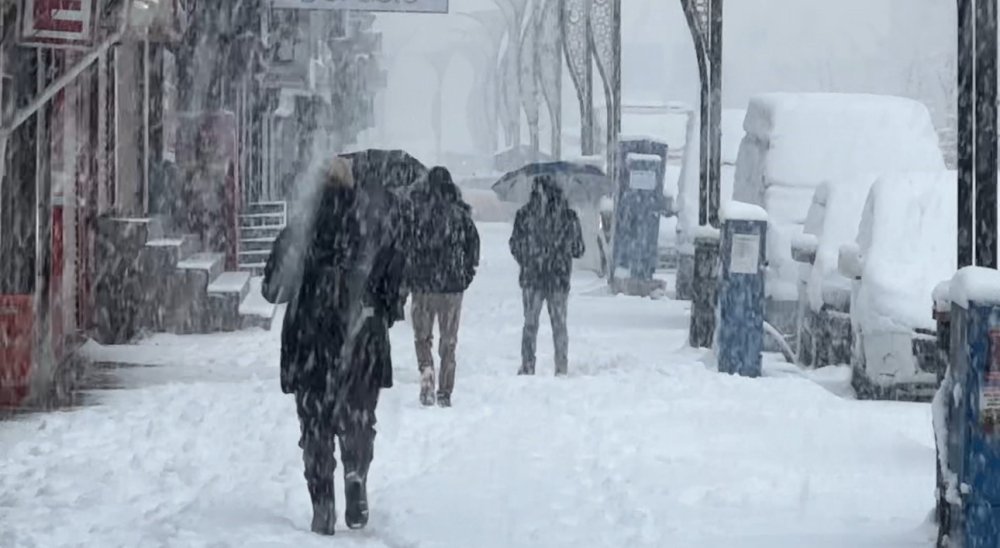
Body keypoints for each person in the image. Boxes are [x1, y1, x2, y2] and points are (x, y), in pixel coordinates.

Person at [262, 157, 405, 535]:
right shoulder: (372, 226)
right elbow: (394, 279)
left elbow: (273, 288)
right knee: (359, 414)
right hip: (361, 336)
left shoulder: (302, 227)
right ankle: (356, 469)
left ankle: (322, 504)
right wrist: (383, 310)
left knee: (316, 424)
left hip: (311, 336)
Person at [405, 166, 480, 407]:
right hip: (451, 289)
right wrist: (465, 276)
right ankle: (445, 391)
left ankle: (426, 371)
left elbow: (406, 248)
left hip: (423, 287)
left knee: (422, 337)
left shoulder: (417, 213)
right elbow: (473, 249)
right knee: (449, 341)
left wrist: (411, 275)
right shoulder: (460, 216)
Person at [509, 175, 585, 376]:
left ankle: (527, 364)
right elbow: (579, 249)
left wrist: (528, 259)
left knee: (530, 323)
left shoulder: (524, 215)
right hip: (558, 279)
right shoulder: (568, 217)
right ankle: (561, 366)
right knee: (559, 325)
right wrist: (561, 250)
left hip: (532, 278)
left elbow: (514, 245)